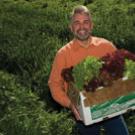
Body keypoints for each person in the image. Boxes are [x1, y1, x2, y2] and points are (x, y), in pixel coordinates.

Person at [48, 5, 129, 135]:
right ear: (71, 27)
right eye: (77, 23)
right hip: (84, 114)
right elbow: (54, 84)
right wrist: (70, 104)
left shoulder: (106, 45)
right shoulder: (63, 54)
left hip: (110, 106)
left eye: (86, 22)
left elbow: (122, 71)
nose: (82, 27)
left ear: (91, 25)